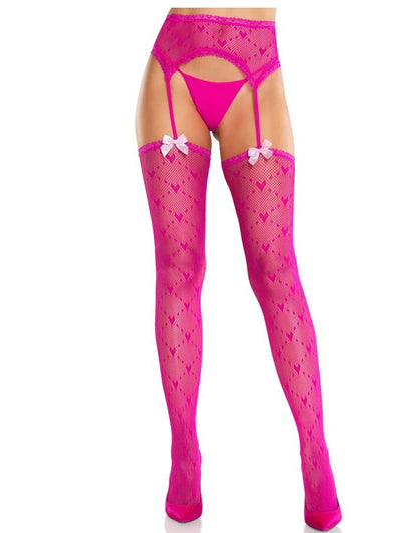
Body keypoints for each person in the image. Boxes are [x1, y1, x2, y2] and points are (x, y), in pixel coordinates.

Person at [135, 7, 342, 531]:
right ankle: (184, 455)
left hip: (256, 71)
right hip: (174, 68)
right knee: (178, 268)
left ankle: (315, 455)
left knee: (275, 271)